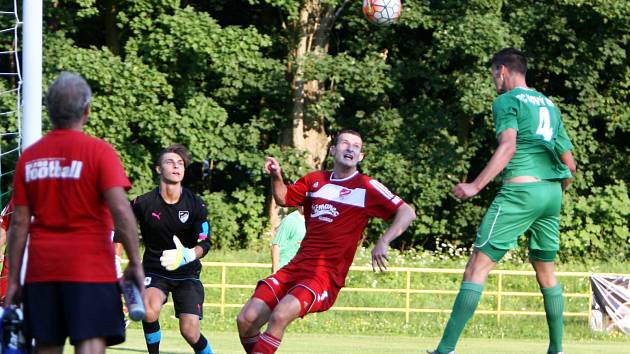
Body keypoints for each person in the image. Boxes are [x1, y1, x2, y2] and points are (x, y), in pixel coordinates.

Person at [429, 48, 577, 354]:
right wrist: (552, 190)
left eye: (493, 74)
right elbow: (570, 165)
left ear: (502, 71)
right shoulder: (549, 105)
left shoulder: (507, 101)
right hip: (551, 194)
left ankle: (445, 350)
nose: (494, 81)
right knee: (547, 273)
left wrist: (474, 186)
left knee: (476, 269)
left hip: (520, 192)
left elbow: (508, 146)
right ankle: (557, 349)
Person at [236, 130, 417, 354]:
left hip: (324, 275)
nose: (350, 148)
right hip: (296, 267)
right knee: (246, 319)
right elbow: (283, 199)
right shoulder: (315, 181)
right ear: (333, 150)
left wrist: (383, 241)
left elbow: (407, 212)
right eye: (345, 143)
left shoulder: (367, 187)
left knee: (281, 314)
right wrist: (276, 175)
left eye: (356, 146)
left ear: (360, 156)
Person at [4, 72, 145, 354]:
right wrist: (135, 263)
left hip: (42, 272)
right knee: (91, 344)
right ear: (87, 110)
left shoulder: (29, 159)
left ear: (49, 111)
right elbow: (121, 211)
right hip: (90, 270)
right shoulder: (100, 152)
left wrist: (14, 280)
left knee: (46, 346)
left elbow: (18, 224)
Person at [130, 143, 213, 354]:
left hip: (187, 274)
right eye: (170, 162)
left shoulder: (196, 204)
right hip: (155, 271)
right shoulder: (142, 203)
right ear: (158, 169)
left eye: (180, 164)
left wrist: (188, 255)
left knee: (190, 332)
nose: (176, 167)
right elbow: (123, 232)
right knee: (149, 311)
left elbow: (205, 241)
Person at [271, 207, 305, 273]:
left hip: (302, 270)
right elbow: (276, 245)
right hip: (285, 269)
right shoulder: (290, 220)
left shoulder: (312, 221)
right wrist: (275, 272)